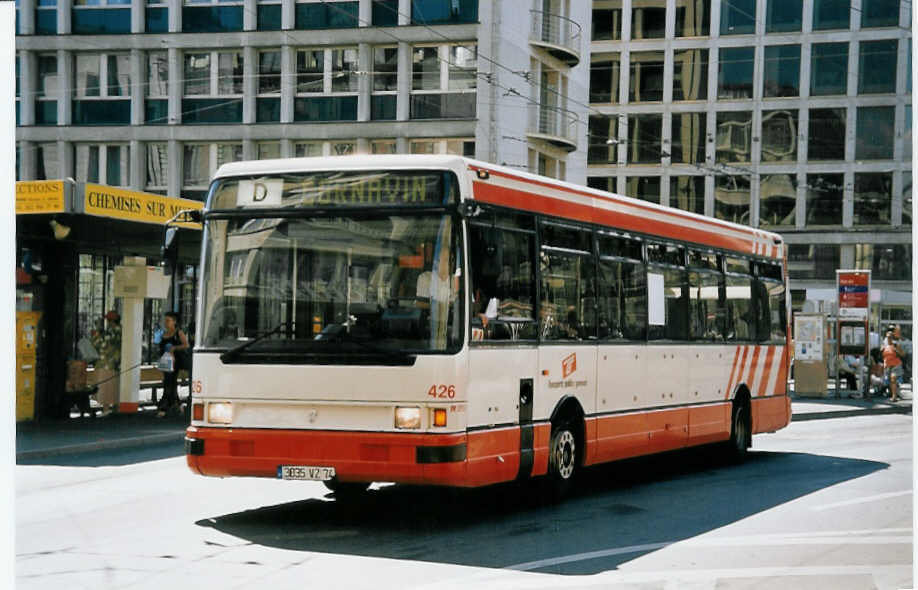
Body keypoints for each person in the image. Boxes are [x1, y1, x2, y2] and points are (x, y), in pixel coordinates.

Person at [157, 311, 190, 417]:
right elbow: (159, 346)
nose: (166, 323)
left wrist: (174, 348)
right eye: (165, 321)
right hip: (165, 361)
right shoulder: (163, 333)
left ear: (174, 322)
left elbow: (186, 345)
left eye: (168, 321)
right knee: (169, 382)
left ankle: (164, 406)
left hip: (175, 361)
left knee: (169, 382)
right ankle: (177, 404)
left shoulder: (178, 333)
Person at [882, 326, 905, 403]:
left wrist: (896, 351)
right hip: (888, 366)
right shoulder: (884, 345)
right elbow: (883, 355)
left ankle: (894, 397)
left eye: (890, 337)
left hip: (896, 365)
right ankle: (895, 394)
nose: (888, 338)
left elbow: (903, 354)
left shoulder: (896, 345)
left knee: (893, 379)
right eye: (887, 337)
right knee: (890, 382)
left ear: (892, 338)